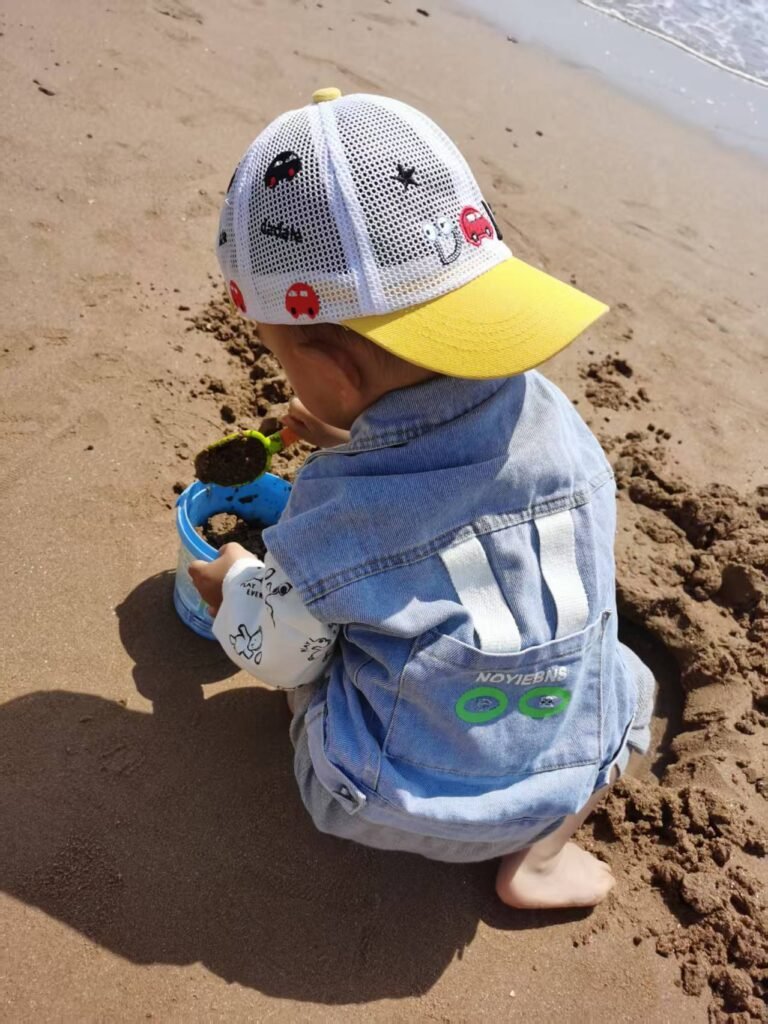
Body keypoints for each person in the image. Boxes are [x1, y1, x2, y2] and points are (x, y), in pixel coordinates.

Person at [189, 87, 654, 909]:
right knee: (626, 679)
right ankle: (541, 859)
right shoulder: (564, 431)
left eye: (288, 361)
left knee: (317, 651)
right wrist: (351, 434)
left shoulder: (336, 513)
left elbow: (282, 653)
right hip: (559, 775)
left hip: (387, 801)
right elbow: (455, 491)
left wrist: (233, 586)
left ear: (332, 370)